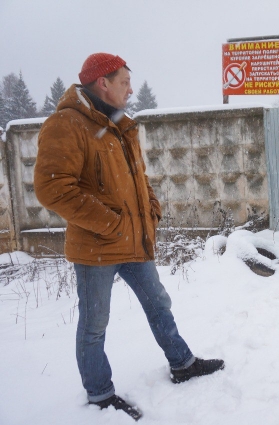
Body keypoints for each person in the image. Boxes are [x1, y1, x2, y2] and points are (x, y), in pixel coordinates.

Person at [33, 53, 224, 420]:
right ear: (103, 82)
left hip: (134, 242)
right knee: (94, 326)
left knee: (159, 304)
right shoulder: (67, 124)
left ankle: (182, 364)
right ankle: (100, 396)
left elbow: (139, 176)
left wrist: (151, 208)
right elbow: (52, 188)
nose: (131, 89)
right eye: (124, 82)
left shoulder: (120, 123)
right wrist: (109, 224)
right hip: (96, 247)